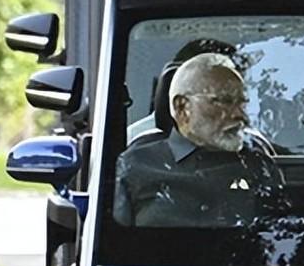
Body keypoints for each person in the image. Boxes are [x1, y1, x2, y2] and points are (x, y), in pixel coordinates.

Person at [113, 53, 286, 228]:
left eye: (242, 104)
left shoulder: (257, 164)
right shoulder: (135, 165)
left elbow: (278, 233)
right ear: (182, 107)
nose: (240, 115)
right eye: (224, 101)